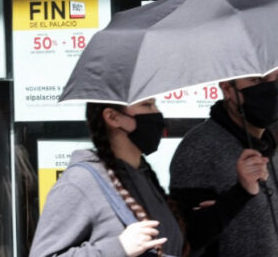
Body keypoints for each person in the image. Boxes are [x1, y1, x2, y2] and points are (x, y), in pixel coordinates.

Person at [30, 98, 184, 257]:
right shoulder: (81, 181)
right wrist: (119, 248)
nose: (157, 113)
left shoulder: (143, 176)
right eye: (147, 105)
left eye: (155, 105)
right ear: (112, 117)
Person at [169, 69, 278, 256]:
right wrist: (238, 195)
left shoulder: (265, 143)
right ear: (227, 89)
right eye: (257, 80)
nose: (272, 89)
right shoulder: (200, 147)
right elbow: (187, 239)